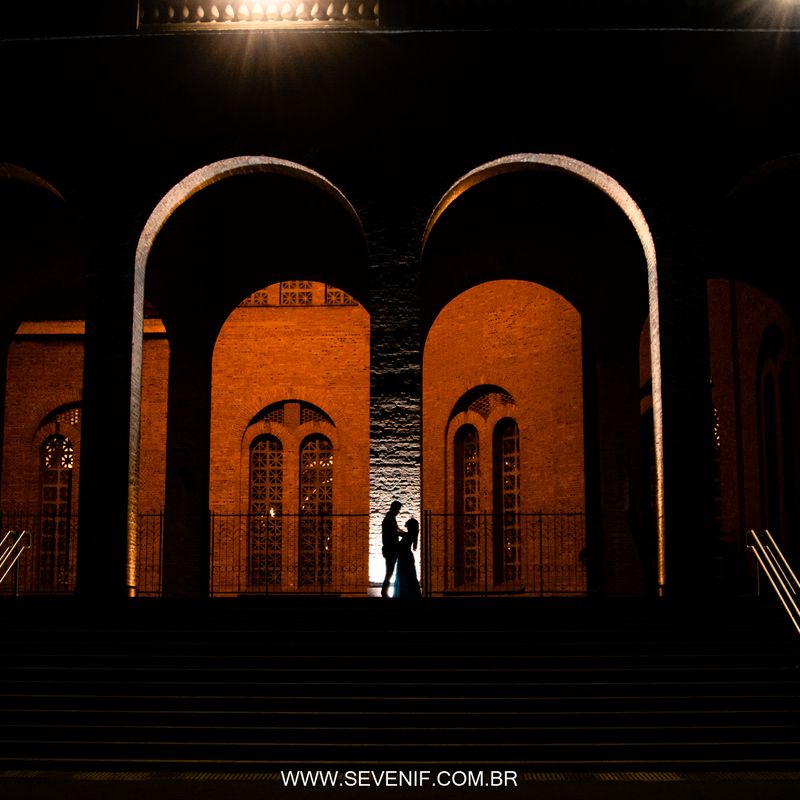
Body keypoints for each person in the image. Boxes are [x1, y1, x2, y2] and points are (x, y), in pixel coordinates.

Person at [395, 517, 422, 599]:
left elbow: (398, 533)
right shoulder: (410, 535)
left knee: (405, 575)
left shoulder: (408, 535)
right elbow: (400, 532)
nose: (406, 524)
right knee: (409, 575)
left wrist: (394, 526)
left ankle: (405, 594)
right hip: (406, 556)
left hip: (405, 557)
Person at [381, 500, 402, 598]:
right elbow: (394, 533)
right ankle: (384, 591)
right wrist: (407, 534)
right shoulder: (390, 519)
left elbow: (396, 530)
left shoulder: (390, 518)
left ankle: (384, 591)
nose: (398, 512)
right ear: (394, 509)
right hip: (390, 548)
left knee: (389, 570)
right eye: (398, 510)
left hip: (389, 548)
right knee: (389, 571)